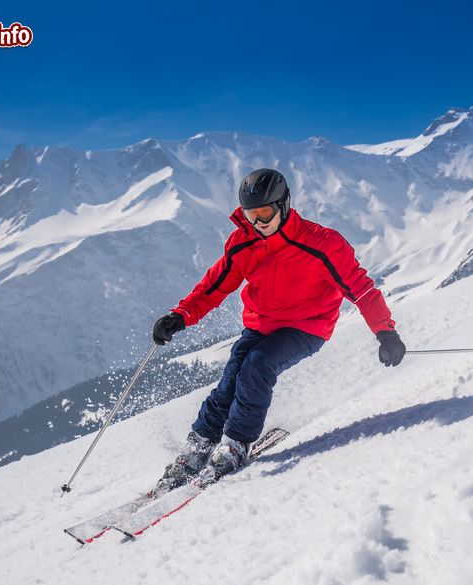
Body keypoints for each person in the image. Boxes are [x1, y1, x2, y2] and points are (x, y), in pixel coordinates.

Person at [151, 168, 406, 483]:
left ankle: (235, 444)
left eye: (265, 213)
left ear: (283, 205)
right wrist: (181, 315)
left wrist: (386, 332)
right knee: (232, 375)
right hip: (262, 324)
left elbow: (361, 289)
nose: (258, 222)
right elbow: (214, 286)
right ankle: (201, 442)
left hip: (307, 327)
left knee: (257, 367)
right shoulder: (243, 242)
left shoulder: (322, 243)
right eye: (251, 214)